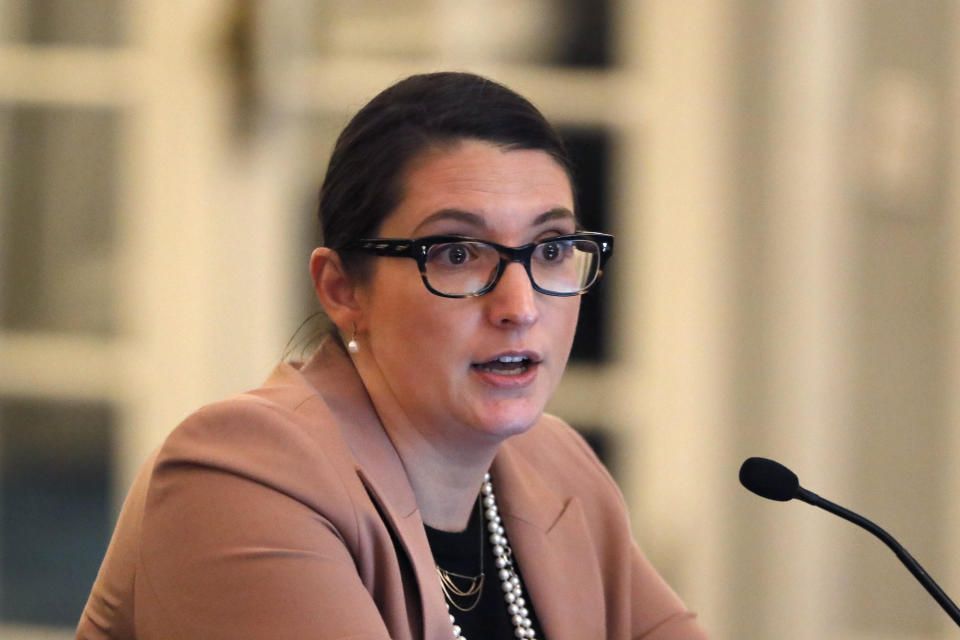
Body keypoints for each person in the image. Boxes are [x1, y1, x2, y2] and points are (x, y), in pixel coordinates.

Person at [76, 72, 709, 640]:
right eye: (458, 254)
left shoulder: (559, 469)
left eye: (549, 248)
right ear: (342, 290)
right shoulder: (238, 476)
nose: (520, 305)